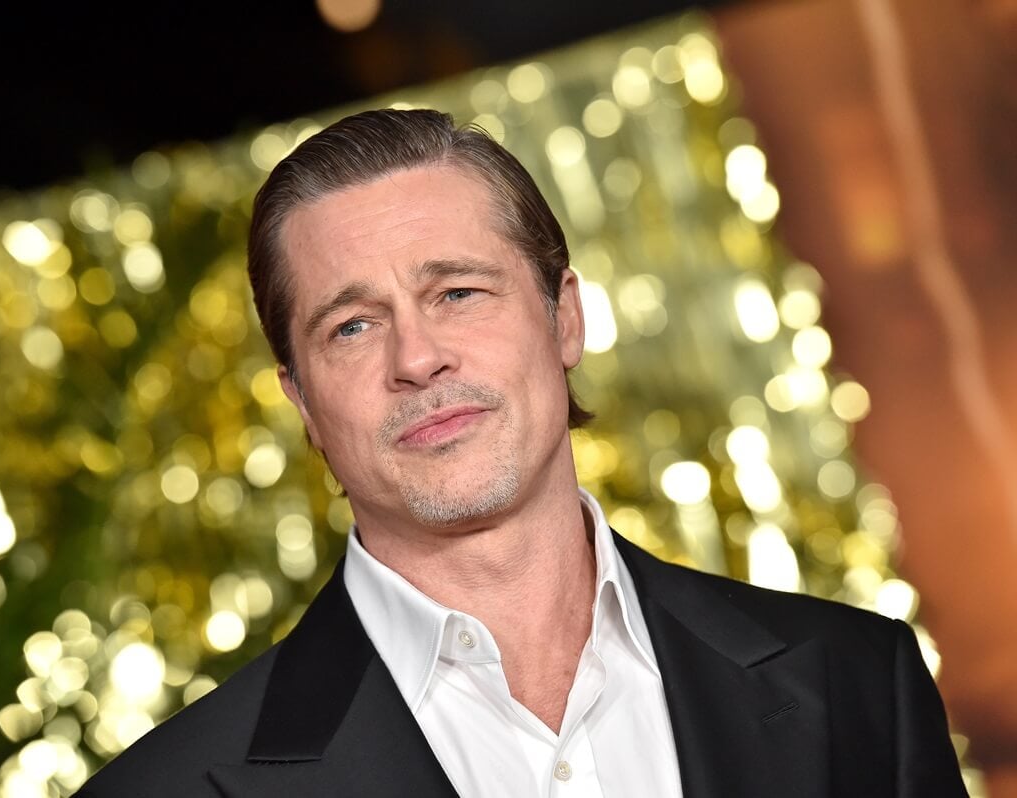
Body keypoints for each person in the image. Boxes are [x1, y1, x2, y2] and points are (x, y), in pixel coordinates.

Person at [77, 109, 966, 797]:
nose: (417, 358)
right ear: (302, 399)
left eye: (458, 291)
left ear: (564, 316)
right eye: (352, 326)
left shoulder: (857, 686)